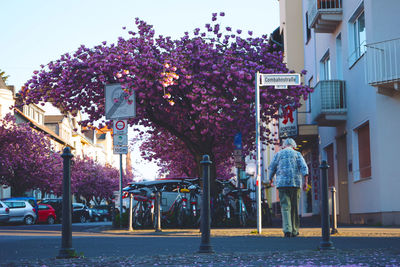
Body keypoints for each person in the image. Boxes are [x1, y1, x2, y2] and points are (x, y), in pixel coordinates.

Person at [268, 138, 309, 238]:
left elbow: (272, 167)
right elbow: (304, 168)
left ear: (284, 145)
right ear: (294, 146)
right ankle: (295, 230)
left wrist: (271, 179)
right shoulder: (297, 154)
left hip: (282, 184)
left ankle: (287, 230)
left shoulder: (278, 154)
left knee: (285, 207)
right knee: (294, 207)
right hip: (295, 184)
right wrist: (306, 182)